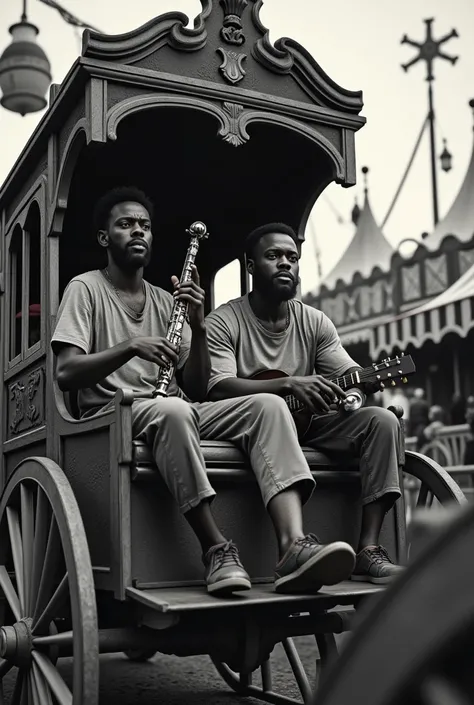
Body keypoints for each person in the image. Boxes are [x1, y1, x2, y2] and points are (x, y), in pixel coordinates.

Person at [51, 187, 356, 598]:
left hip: (178, 407)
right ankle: (216, 548)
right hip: (115, 414)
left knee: (268, 403)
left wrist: (195, 323)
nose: (138, 232)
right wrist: (130, 347)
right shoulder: (84, 289)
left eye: (145, 225)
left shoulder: (165, 299)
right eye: (126, 225)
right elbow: (66, 372)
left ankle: (292, 546)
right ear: (105, 238)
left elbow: (196, 387)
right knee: (172, 412)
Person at [205, 223, 405, 585]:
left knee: (382, 422)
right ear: (251, 267)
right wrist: (288, 384)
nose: (285, 264)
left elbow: (349, 374)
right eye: (274, 256)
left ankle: (369, 550)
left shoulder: (315, 322)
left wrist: (355, 391)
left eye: (292, 258)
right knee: (272, 406)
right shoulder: (224, 320)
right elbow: (216, 387)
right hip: (245, 431)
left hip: (306, 426)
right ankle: (293, 544)